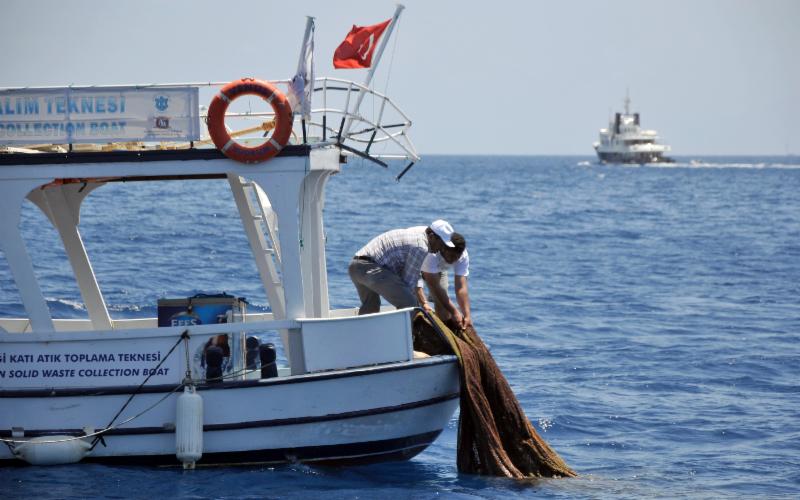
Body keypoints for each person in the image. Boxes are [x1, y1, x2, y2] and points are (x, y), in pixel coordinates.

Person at [349, 220, 461, 315]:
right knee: (409, 305)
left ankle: (363, 336)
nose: (441, 248)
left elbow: (414, 275)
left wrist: (424, 303)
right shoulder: (420, 247)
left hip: (356, 266)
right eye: (441, 244)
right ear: (432, 236)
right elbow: (409, 284)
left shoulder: (422, 231)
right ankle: (410, 338)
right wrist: (421, 306)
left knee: (371, 309)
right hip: (371, 268)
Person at [415, 232, 472, 329]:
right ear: (443, 248)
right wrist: (454, 311)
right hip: (415, 266)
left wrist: (467, 315)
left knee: (443, 304)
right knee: (413, 300)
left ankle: (442, 328)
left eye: (456, 257)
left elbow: (461, 288)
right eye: (450, 256)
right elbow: (435, 285)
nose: (453, 260)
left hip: (437, 269)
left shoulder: (463, 256)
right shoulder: (432, 254)